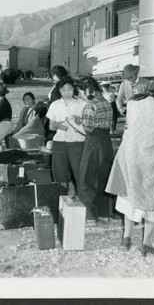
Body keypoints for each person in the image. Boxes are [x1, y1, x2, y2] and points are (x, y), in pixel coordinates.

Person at [105, 76, 154, 257]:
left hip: (129, 158)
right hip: (152, 163)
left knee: (129, 196)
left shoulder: (133, 104)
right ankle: (146, 244)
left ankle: (126, 238)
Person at [66, 77, 116, 226]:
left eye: (80, 92)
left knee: (87, 178)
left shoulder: (89, 106)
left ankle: (90, 217)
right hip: (106, 142)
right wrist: (81, 120)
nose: (79, 95)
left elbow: (87, 130)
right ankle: (104, 214)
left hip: (93, 143)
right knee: (103, 178)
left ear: (87, 91)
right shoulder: (106, 103)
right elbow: (99, 123)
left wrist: (72, 123)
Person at [45, 76, 87, 192]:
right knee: (59, 173)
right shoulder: (55, 105)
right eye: (63, 90)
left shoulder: (82, 104)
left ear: (74, 89)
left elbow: (88, 124)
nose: (66, 92)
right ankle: (61, 200)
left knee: (79, 173)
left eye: (69, 89)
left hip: (77, 143)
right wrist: (58, 125)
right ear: (59, 91)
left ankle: (82, 200)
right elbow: (50, 126)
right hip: (59, 143)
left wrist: (80, 121)